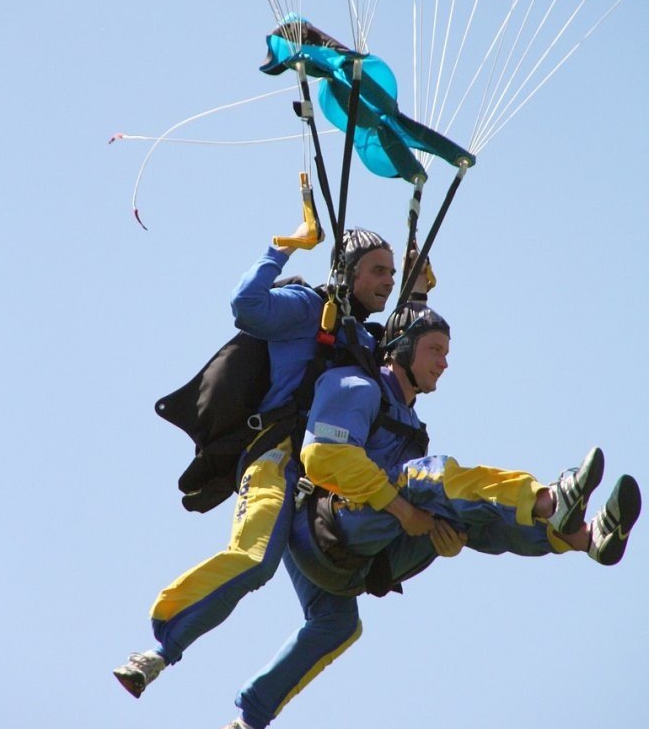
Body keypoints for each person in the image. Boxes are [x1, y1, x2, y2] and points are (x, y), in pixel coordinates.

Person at [220, 305, 641, 729]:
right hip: (326, 526)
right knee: (430, 477)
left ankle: (583, 537)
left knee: (461, 518)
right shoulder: (357, 384)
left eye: (447, 352)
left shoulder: (412, 424)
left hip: (366, 564)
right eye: (435, 349)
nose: (444, 362)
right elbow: (327, 454)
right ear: (402, 349)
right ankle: (549, 499)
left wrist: (445, 536)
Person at [113, 225, 427, 700]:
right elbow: (247, 307)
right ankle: (160, 646)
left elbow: (406, 370)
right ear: (349, 273)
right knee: (255, 558)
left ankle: (250, 714)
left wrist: (418, 290)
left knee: (338, 622)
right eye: (378, 271)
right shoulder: (308, 307)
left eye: (391, 272)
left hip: (322, 485)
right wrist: (281, 249)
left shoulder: (365, 342)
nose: (387, 280)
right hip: (278, 460)